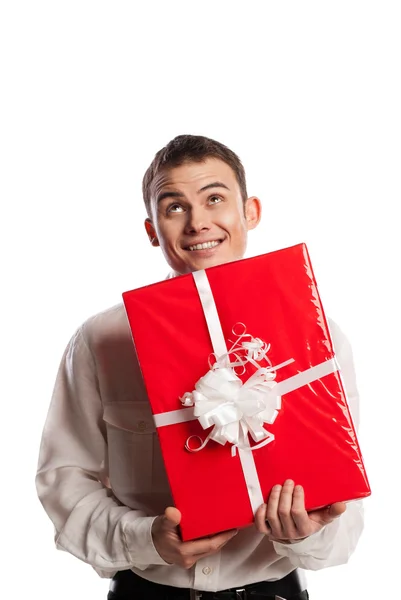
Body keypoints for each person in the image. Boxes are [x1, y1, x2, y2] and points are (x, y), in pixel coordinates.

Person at [36, 135, 364, 600]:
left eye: (214, 199)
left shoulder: (318, 339)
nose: (198, 223)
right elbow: (64, 478)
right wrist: (146, 538)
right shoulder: (102, 339)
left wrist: (306, 533)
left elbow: (347, 526)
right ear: (152, 229)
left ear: (250, 211)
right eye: (174, 207)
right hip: (146, 592)